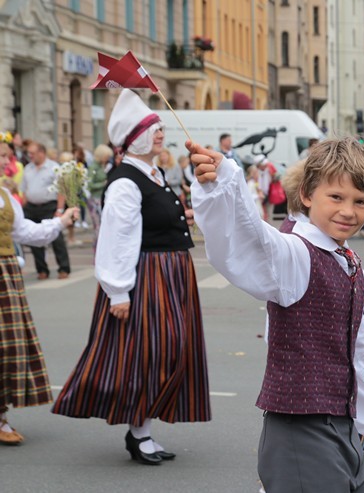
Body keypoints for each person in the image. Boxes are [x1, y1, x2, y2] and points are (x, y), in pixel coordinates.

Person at [189, 137, 364, 492]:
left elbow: (359, 348)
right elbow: (251, 239)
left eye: (361, 202)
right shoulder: (295, 252)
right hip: (298, 430)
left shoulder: (347, 261)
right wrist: (224, 182)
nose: (349, 211)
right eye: (336, 197)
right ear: (308, 195)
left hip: (342, 426)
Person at [52, 89, 211, 465]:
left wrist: (183, 216)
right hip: (148, 277)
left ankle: (143, 432)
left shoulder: (151, 173)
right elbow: (117, 238)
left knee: (166, 353)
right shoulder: (126, 181)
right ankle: (139, 434)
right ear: (133, 138)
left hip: (171, 274)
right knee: (150, 355)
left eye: (158, 127)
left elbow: (152, 219)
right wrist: (118, 292)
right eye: (151, 129)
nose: (159, 133)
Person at [0, 140, 77, 445]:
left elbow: (26, 232)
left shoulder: (6, 196)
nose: (4, 163)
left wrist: (60, 221)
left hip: (5, 275)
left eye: (5, 157)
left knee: (7, 348)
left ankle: (1, 417)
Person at [20, 142, 71, 280]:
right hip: (31, 207)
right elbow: (24, 190)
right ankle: (42, 269)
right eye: (29, 153)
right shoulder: (28, 168)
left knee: (56, 238)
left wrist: (60, 209)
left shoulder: (53, 168)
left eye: (33, 153)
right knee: (33, 238)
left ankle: (63, 268)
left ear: (42, 153)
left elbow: (61, 190)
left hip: (49, 205)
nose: (30, 156)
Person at [87, 144, 113, 249]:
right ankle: (97, 250)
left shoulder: (101, 166)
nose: (108, 159)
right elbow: (89, 184)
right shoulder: (93, 167)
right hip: (94, 199)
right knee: (98, 227)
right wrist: (103, 184)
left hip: (101, 198)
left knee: (103, 226)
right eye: (107, 156)